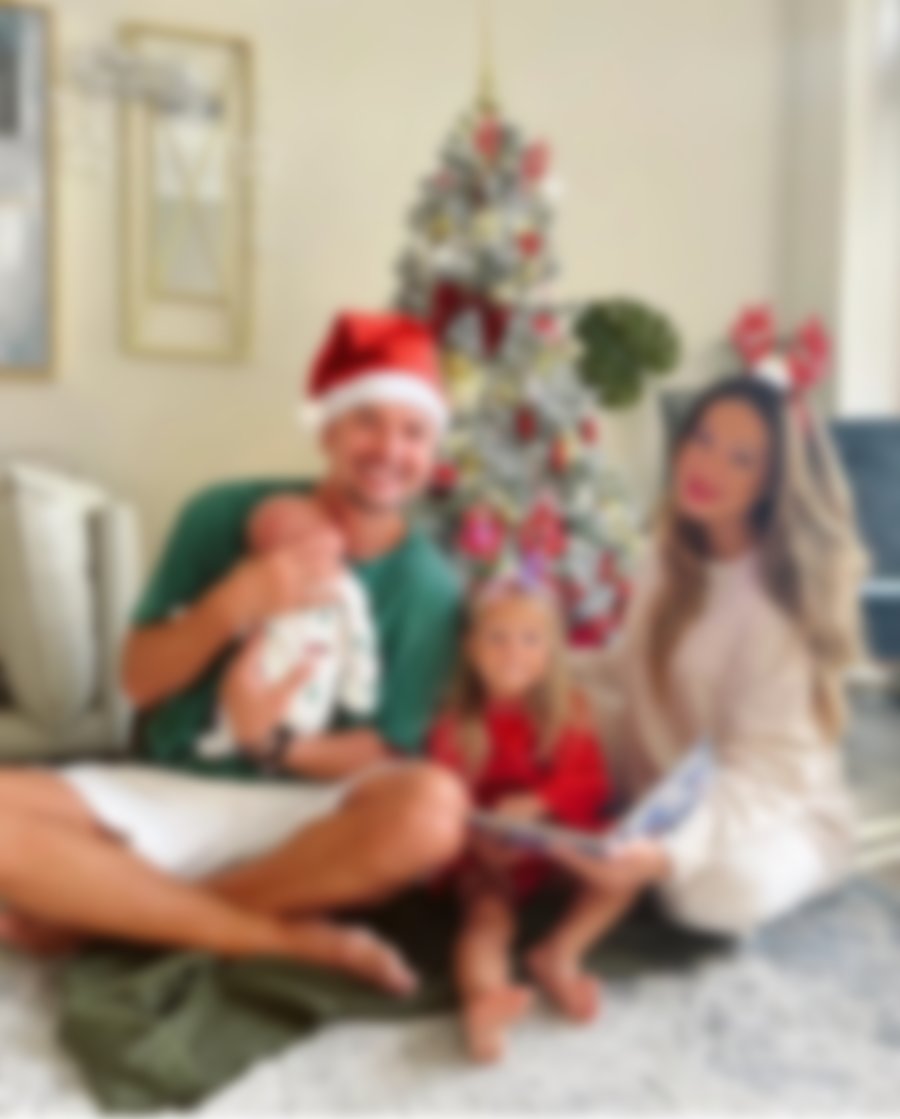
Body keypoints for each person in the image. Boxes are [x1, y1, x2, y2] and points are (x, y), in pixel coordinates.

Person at [0, 311, 469, 993]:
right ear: (328, 428)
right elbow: (138, 680)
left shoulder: (429, 586)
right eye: (367, 420)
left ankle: (110, 915)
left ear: (433, 451)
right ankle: (274, 936)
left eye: (414, 431)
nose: (389, 449)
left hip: (312, 815)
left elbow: (386, 751)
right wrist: (235, 602)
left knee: (435, 810)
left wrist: (271, 741)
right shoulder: (221, 514)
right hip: (172, 790)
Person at [555, 371, 866, 937]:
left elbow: (765, 770)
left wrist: (671, 852)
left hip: (772, 800)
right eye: (703, 439)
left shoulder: (778, 606)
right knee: (542, 707)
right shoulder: (669, 551)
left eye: (741, 458)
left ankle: (810, 856)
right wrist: (539, 666)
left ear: (774, 481)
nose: (708, 466)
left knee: (710, 896)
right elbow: (625, 667)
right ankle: (641, 842)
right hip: (666, 775)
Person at [428, 569, 619, 1064]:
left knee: (623, 869)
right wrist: (480, 843)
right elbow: (444, 798)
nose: (514, 651)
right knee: (488, 918)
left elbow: (589, 781)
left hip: (552, 847)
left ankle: (560, 954)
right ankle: (484, 1004)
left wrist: (540, 803)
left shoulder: (570, 708)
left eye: (531, 638)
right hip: (485, 856)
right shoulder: (457, 720)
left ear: (552, 649)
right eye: (498, 637)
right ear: (471, 647)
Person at [196, 495, 380, 761]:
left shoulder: (346, 588)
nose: (308, 546)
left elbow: (360, 641)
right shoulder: (265, 587)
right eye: (285, 543)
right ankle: (227, 733)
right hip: (261, 671)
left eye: (313, 531)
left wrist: (358, 688)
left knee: (302, 711)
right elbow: (237, 622)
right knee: (236, 695)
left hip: (313, 682)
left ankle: (260, 736)